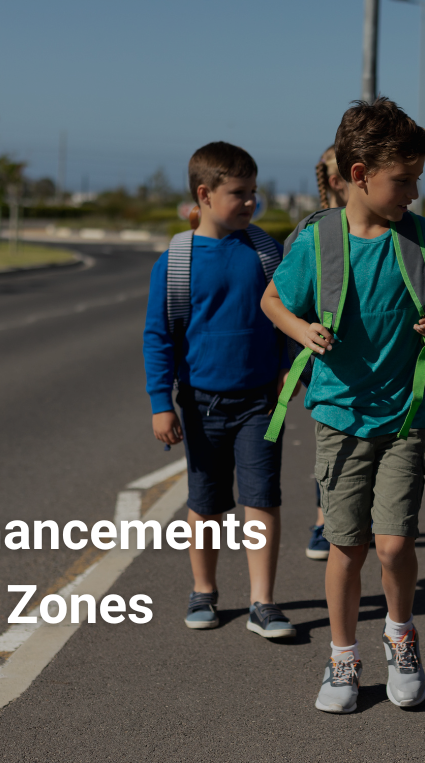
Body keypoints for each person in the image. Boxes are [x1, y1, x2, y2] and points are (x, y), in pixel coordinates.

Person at [262, 98, 425, 714]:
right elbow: (273, 300)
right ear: (358, 173)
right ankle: (342, 658)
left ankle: (402, 636)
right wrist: (302, 332)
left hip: (403, 416)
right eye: (402, 181)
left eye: (417, 180)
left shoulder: (420, 236)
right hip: (340, 417)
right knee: (346, 546)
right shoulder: (319, 239)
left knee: (395, 545)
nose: (413, 193)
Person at [143, 141, 295, 641]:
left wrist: (288, 373)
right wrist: (161, 404)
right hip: (200, 402)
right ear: (204, 195)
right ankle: (203, 590)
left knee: (261, 498)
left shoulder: (265, 252)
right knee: (206, 502)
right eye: (239, 193)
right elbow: (159, 336)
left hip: (260, 403)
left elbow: (289, 318)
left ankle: (263, 601)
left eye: (254, 192)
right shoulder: (177, 261)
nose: (251, 201)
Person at [303, 146, 350, 562]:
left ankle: (349, 518)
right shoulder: (312, 231)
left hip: (368, 366)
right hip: (320, 359)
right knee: (330, 444)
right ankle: (324, 521)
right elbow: (287, 303)